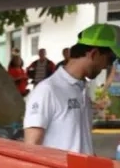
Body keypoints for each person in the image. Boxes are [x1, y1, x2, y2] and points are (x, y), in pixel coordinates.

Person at [23, 24, 120, 154]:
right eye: (110, 59)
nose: (107, 66)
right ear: (94, 54)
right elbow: (31, 148)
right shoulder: (47, 91)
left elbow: (81, 142)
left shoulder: (82, 90)